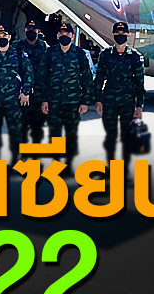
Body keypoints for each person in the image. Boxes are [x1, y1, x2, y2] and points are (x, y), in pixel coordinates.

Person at [37, 22, 94, 167]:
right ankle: (57, 163)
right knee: (55, 132)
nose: (64, 36)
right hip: (54, 101)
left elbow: (87, 78)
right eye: (61, 33)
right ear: (57, 35)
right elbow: (42, 77)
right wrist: (44, 100)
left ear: (72, 36)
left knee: (71, 132)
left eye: (67, 33)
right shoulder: (50, 53)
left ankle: (69, 162)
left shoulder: (79, 54)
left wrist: (85, 101)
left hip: (73, 101)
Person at [93, 21, 145, 177]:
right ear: (113, 35)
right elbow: (99, 78)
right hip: (109, 99)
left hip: (127, 101)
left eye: (123, 34)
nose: (120, 36)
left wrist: (139, 105)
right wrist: (98, 100)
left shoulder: (135, 56)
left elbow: (139, 82)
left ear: (128, 35)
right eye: (117, 33)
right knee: (110, 135)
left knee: (126, 135)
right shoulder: (106, 54)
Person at [0, 24, 33, 165]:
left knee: (16, 129)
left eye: (4, 36)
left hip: (13, 100)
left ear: (9, 37)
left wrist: (25, 92)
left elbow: (28, 73)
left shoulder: (19, 54)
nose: (1, 38)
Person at [14, 20, 49, 144]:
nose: (31, 32)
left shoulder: (44, 47)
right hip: (22, 91)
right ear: (24, 31)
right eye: (29, 29)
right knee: (21, 123)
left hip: (39, 90)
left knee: (37, 124)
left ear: (38, 32)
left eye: (34, 30)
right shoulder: (18, 46)